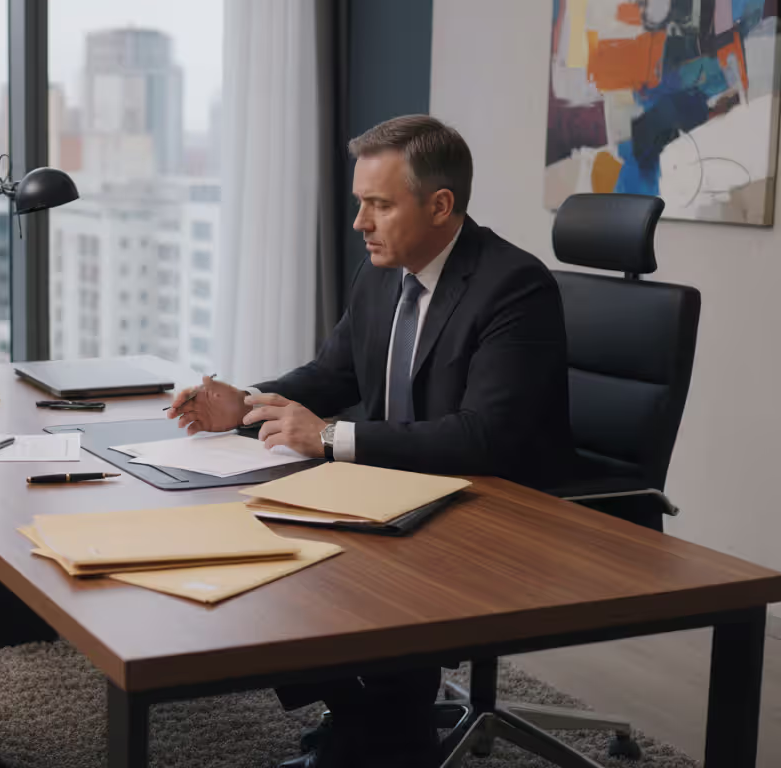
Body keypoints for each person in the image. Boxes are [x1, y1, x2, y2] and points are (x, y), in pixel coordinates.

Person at [168, 115, 573, 767]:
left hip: (499, 501)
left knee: (323, 567)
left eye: (379, 204)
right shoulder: (384, 272)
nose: (361, 222)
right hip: (401, 484)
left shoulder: (512, 287)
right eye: (361, 202)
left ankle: (383, 730)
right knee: (267, 553)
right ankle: (369, 719)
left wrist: (329, 439)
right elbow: (334, 373)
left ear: (440, 206)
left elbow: (485, 438)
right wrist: (245, 404)